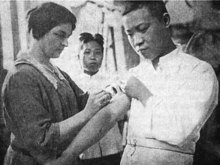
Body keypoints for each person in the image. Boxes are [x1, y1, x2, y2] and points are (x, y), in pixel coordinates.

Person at [1, 2, 130, 165]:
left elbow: (83, 102)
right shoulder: (21, 77)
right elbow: (42, 139)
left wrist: (115, 91)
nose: (66, 43)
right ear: (40, 30)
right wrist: (86, 113)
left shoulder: (56, 73)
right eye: (60, 35)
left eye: (67, 37)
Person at [117, 1, 218, 165]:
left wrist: (143, 94)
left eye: (143, 29)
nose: (137, 41)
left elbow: (179, 132)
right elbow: (107, 114)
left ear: (165, 21)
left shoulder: (198, 71)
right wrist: (68, 156)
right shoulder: (136, 73)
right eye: (130, 33)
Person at [74, 32, 123, 165]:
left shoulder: (113, 81)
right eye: (87, 52)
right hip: (85, 151)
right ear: (78, 56)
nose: (93, 57)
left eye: (98, 53)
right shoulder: (72, 84)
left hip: (112, 147)